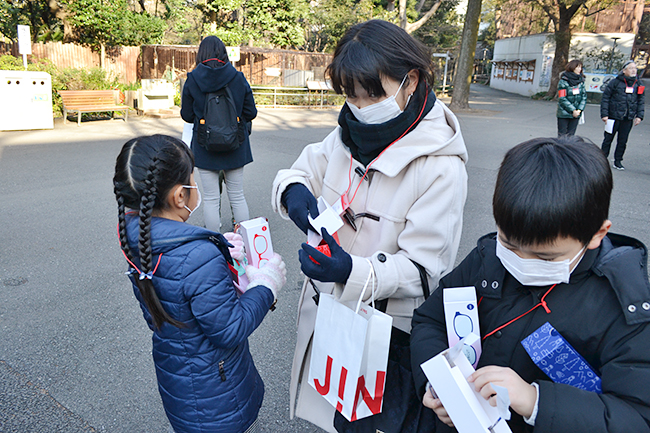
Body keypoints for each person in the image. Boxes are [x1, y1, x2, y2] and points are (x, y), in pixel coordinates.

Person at [271, 19, 468, 432]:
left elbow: (424, 270)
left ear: (410, 81)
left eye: (373, 94)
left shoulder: (441, 166)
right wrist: (293, 192)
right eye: (350, 95)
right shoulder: (347, 133)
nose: (360, 107)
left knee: (372, 421)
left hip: (388, 330)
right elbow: (301, 170)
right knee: (338, 413)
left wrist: (350, 271)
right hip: (334, 312)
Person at [411, 136, 650, 433]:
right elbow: (430, 320)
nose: (521, 261)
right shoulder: (488, 257)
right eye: (509, 245)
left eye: (545, 257)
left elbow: (636, 417)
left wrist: (536, 401)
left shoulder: (624, 307)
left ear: (597, 234)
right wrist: (437, 384)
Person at [113, 134, 287, 433]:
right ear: (180, 196)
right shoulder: (197, 256)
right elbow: (229, 329)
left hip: (180, 382)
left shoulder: (135, 239)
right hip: (218, 392)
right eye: (192, 179)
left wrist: (219, 249)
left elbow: (174, 296)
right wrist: (265, 285)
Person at [181, 35, 257, 230]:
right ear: (223, 53)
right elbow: (251, 112)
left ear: (201, 54)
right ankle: (242, 246)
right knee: (237, 195)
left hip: (205, 145)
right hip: (236, 143)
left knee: (211, 199)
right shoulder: (238, 77)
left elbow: (187, 116)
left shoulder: (192, 79)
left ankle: (215, 245)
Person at [600, 60, 645, 170]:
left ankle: (618, 161)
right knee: (607, 139)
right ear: (624, 70)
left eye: (635, 68)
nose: (634, 70)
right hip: (612, 116)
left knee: (623, 141)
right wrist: (604, 114)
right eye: (631, 68)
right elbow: (605, 98)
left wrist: (639, 116)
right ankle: (602, 160)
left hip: (628, 118)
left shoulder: (638, 84)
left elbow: (641, 101)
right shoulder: (615, 82)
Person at [556, 59, 586, 136]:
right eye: (578, 67)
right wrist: (573, 110)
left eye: (581, 67)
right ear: (572, 67)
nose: (580, 69)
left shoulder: (581, 81)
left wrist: (579, 110)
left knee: (571, 136)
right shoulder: (563, 81)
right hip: (564, 113)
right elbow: (562, 98)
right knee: (562, 136)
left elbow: (584, 97)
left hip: (576, 113)